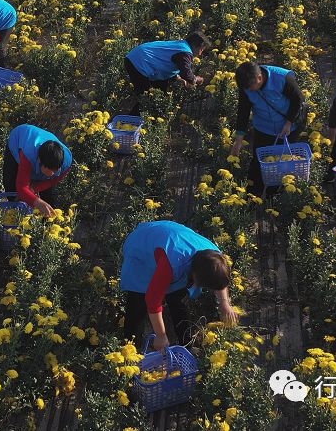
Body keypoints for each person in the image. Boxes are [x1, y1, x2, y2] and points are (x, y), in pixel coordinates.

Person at [121, 221, 238, 351]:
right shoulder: (171, 265)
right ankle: (130, 350)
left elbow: (219, 280)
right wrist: (161, 335)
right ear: (195, 275)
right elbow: (152, 300)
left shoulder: (215, 257)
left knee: (177, 299)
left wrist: (224, 303)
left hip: (170, 237)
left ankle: (186, 344)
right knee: (138, 303)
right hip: (142, 245)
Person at [229, 62, 305, 195]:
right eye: (246, 88)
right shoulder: (246, 85)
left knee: (282, 162)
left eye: (252, 87)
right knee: (258, 163)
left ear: (259, 77)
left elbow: (298, 100)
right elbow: (243, 111)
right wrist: (238, 140)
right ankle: (252, 196)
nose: (250, 90)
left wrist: (288, 123)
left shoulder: (282, 78)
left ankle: (273, 196)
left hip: (287, 127)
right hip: (263, 128)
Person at [123, 32, 211, 115]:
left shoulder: (180, 45)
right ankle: (130, 123)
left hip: (137, 59)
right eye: (201, 50)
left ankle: (150, 119)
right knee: (146, 98)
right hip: (139, 62)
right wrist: (195, 80)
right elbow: (186, 73)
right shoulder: (185, 52)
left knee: (160, 93)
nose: (200, 54)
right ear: (196, 46)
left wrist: (179, 78)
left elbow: (166, 62)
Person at [5, 124, 73, 219]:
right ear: (40, 161)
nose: (52, 173)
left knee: (47, 197)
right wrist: (37, 201)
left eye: (55, 170)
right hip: (18, 140)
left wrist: (34, 189)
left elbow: (52, 181)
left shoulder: (67, 162)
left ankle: (46, 226)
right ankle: (15, 220)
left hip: (37, 149)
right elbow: (21, 187)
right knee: (12, 188)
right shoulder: (28, 155)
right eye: (49, 169)